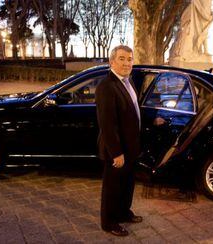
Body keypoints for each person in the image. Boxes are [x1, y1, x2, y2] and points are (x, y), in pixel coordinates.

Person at [95, 45, 143, 236]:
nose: (127, 63)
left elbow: (132, 112)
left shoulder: (128, 82)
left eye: (130, 59)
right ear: (111, 61)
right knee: (112, 188)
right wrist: (116, 152)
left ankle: (123, 212)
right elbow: (107, 124)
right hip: (117, 150)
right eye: (122, 58)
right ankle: (109, 222)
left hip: (131, 147)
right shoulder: (107, 86)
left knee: (127, 184)